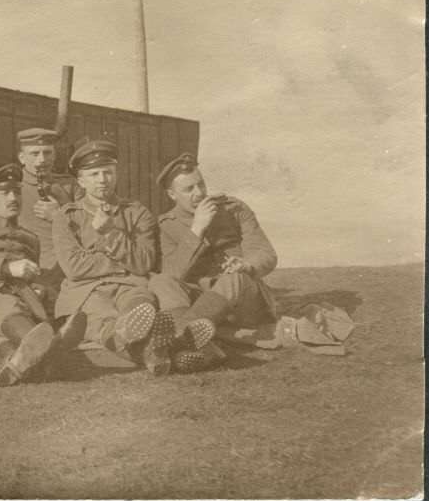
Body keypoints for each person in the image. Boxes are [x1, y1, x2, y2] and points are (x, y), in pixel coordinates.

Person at [0, 164, 86, 385]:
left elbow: (31, 274)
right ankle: (52, 349)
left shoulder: (30, 238)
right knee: (8, 308)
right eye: (4, 193)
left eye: (17, 192)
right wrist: (5, 267)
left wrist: (38, 286)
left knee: (29, 313)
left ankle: (16, 362)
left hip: (19, 296)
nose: (13, 198)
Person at [52, 140, 174, 375]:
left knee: (140, 304)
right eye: (94, 174)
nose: (102, 179)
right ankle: (151, 352)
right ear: (81, 181)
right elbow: (74, 268)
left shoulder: (137, 212)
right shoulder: (67, 217)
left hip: (130, 286)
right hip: (87, 290)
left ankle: (138, 331)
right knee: (103, 320)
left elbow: (144, 262)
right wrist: (123, 263)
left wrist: (110, 233)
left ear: (116, 174)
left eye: (108, 172)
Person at [149, 153, 278, 371]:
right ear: (172, 194)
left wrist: (247, 265)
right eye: (188, 189)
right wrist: (196, 230)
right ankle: (203, 348)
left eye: (201, 184)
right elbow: (173, 272)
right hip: (205, 305)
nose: (199, 193)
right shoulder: (166, 225)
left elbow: (265, 253)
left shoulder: (233, 209)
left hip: (244, 302)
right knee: (161, 281)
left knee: (233, 278)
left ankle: (175, 339)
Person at [15, 127, 75, 294]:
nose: (42, 159)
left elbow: (88, 228)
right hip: (32, 270)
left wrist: (59, 215)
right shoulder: (12, 190)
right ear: (22, 158)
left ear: (54, 155)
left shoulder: (70, 186)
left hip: (70, 265)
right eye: (35, 153)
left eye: (47, 153)